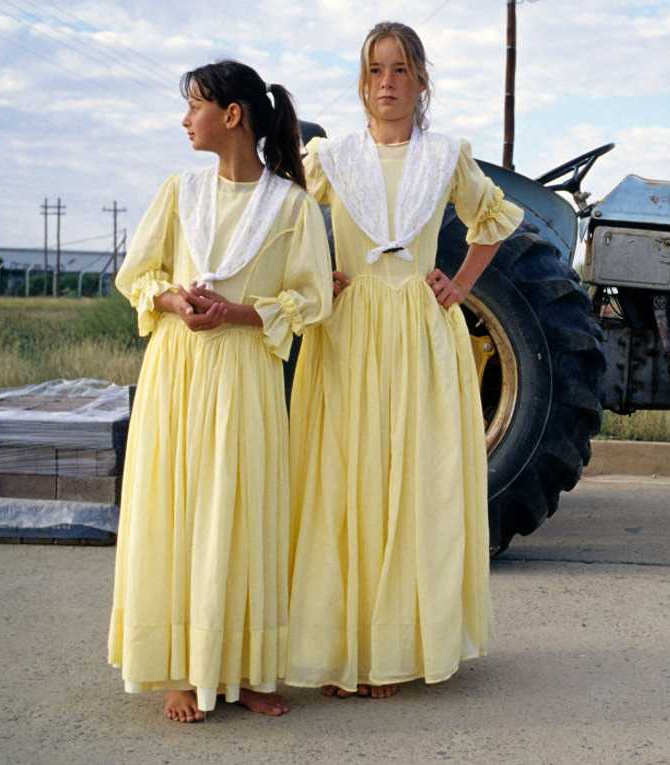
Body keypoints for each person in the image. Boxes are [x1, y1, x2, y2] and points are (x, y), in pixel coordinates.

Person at [287, 21, 524, 699]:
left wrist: (462, 283)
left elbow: (494, 218)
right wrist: (314, 274)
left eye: (399, 70)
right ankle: (342, 648)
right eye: (374, 71)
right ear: (361, 83)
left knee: (407, 483)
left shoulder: (445, 154)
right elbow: (288, 220)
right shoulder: (330, 158)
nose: (386, 84)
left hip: (420, 329)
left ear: (420, 80)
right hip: (349, 328)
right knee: (343, 477)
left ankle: (393, 648)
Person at [108, 60, 333, 722]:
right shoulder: (180, 191)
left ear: (232, 115)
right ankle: (181, 668)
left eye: (195, 106)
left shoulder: (290, 206)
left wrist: (238, 313)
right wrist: (174, 299)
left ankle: (249, 667)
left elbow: (312, 296)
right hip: (179, 371)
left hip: (245, 372)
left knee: (245, 511)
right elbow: (137, 272)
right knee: (179, 510)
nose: (185, 119)